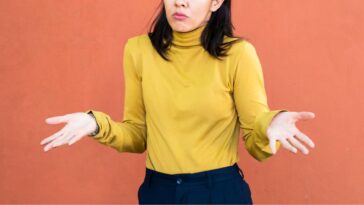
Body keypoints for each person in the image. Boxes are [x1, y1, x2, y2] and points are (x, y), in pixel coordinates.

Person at [40, 0, 316, 204]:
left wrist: (271, 125)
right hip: (158, 191)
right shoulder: (139, 51)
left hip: (217, 192)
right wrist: (95, 123)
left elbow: (256, 139)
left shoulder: (238, 54)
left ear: (216, 2)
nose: (179, 2)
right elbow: (137, 136)